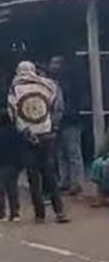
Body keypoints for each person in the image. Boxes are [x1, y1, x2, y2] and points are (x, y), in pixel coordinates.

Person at [7, 61, 70, 224]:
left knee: (33, 177)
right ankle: (60, 211)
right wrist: (53, 127)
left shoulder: (15, 88)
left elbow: (13, 114)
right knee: (50, 174)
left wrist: (26, 132)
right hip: (47, 135)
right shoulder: (48, 85)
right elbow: (58, 108)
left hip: (28, 138)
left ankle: (39, 214)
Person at [47, 55, 85, 195]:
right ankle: (65, 181)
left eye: (57, 63)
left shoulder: (70, 82)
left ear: (63, 65)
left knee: (73, 153)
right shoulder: (52, 82)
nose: (53, 66)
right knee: (61, 153)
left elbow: (75, 101)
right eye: (52, 63)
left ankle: (77, 183)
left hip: (71, 121)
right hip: (58, 122)